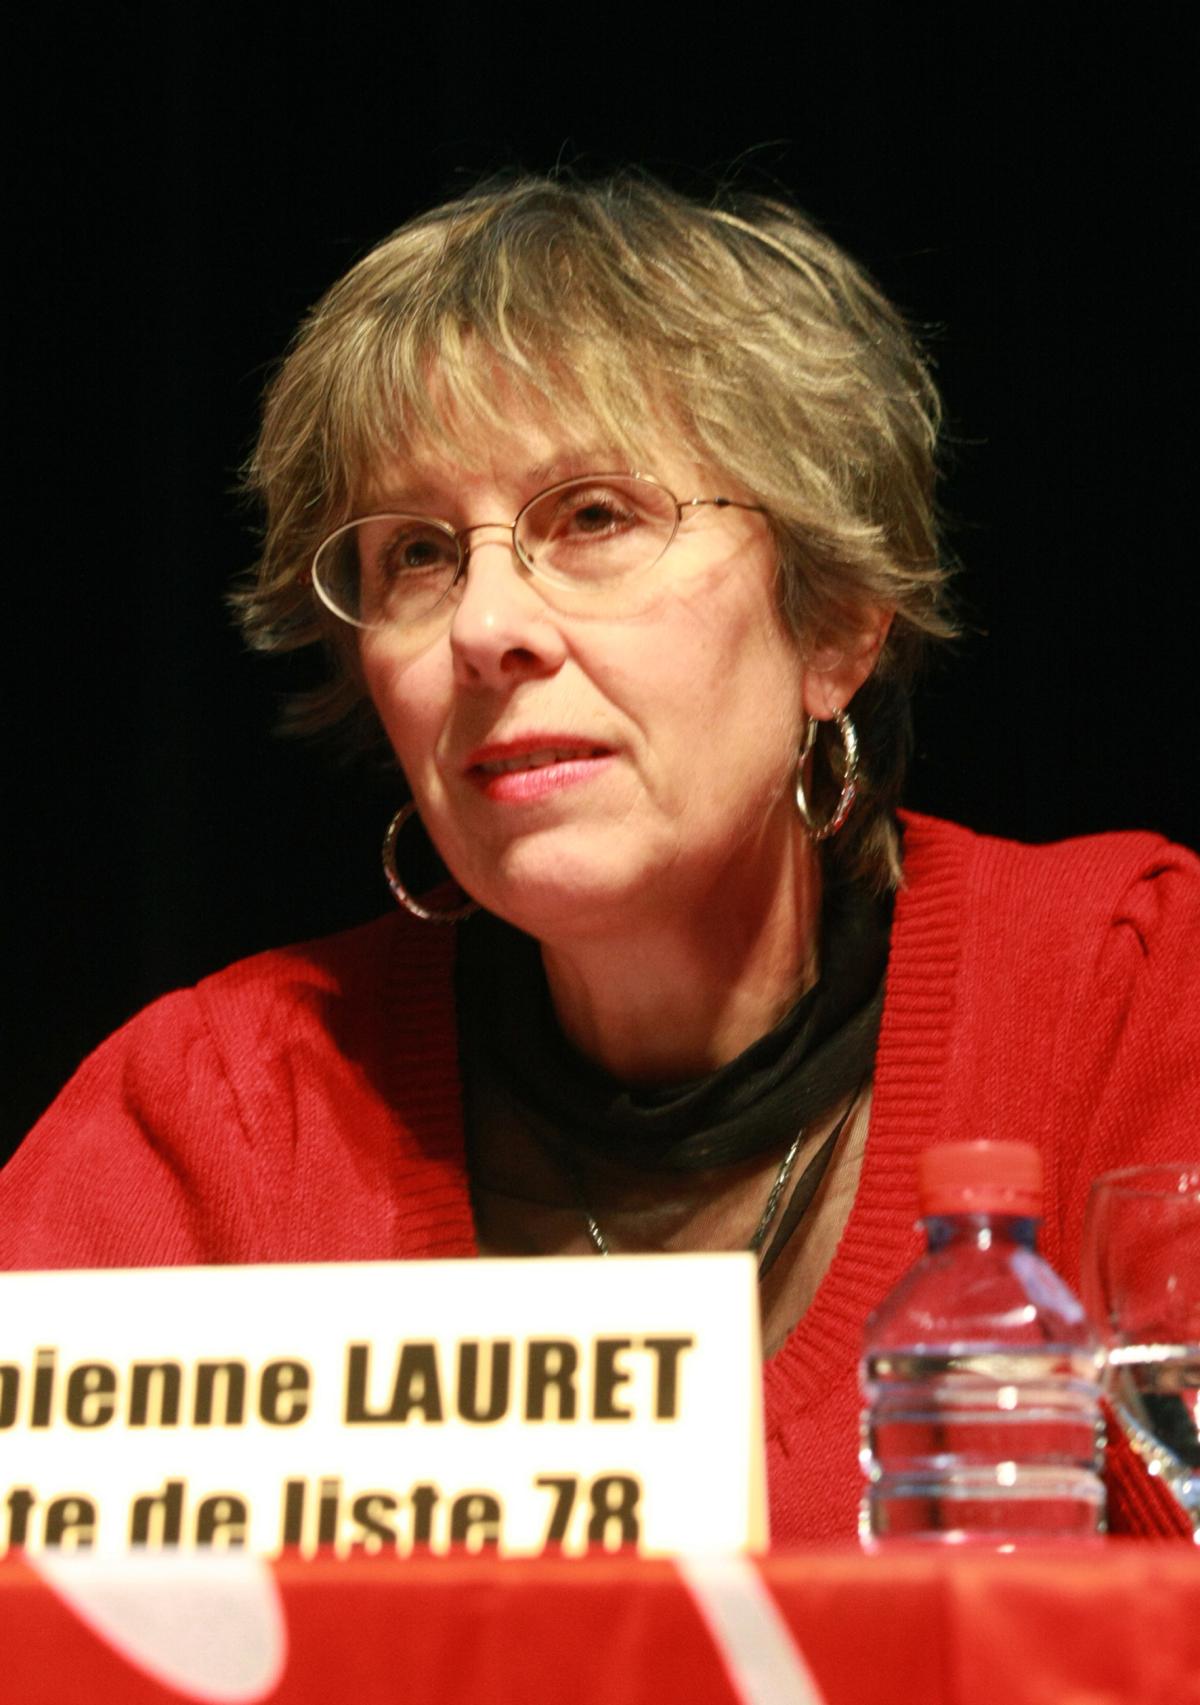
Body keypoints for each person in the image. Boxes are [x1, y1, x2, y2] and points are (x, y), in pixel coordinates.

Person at [3, 176, 1197, 1541]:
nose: (484, 627)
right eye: (417, 554)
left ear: (836, 622)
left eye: (593, 518)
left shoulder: (1127, 996)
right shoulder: (217, 1121)